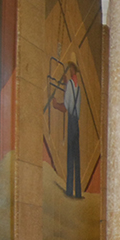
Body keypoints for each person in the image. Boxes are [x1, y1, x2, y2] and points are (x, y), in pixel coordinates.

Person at [52, 60, 83, 198]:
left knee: (70, 156)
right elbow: (76, 106)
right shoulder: (78, 88)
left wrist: (55, 105)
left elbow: (66, 107)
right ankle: (78, 191)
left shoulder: (70, 84)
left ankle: (70, 190)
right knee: (76, 156)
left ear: (71, 70)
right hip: (76, 121)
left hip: (71, 121)